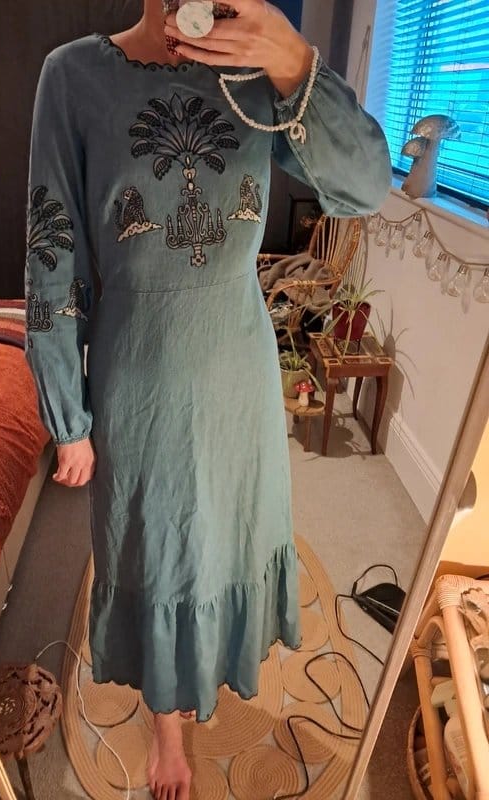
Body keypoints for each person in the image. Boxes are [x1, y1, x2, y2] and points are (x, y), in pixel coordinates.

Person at [23, 1, 391, 797]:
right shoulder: (73, 76)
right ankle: (168, 731)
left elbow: (366, 189)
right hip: (138, 370)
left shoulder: (259, 74)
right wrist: (67, 415)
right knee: (157, 551)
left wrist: (293, 59)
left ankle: (209, 679)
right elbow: (52, 250)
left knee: (228, 538)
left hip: (236, 365)